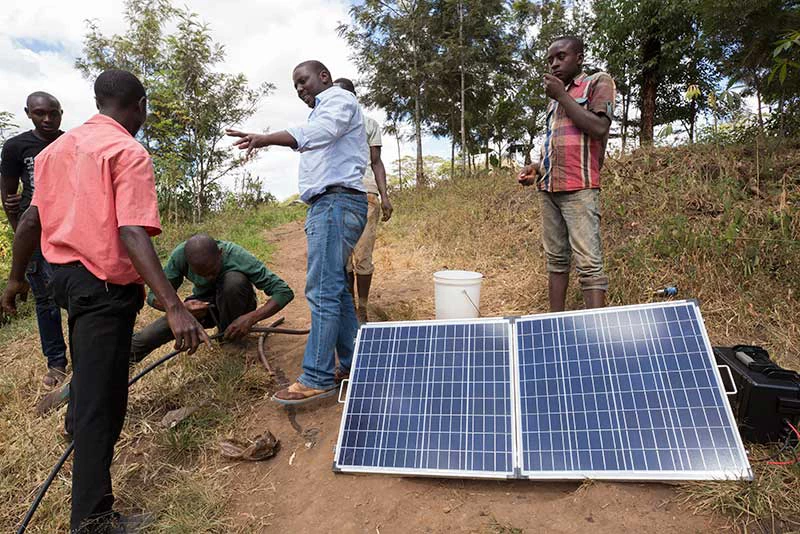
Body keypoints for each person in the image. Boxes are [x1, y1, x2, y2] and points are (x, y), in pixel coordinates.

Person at [1, 69, 209, 533]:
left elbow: (32, 221)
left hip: (66, 284)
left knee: (90, 379)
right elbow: (131, 231)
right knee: (105, 404)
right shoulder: (127, 151)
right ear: (139, 104)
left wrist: (16, 279)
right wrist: (174, 306)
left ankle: (77, 422)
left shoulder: (56, 150)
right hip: (104, 290)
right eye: (144, 110)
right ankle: (92, 520)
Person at [227, 60, 368, 405]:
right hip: (331, 205)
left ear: (324, 77)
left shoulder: (337, 100)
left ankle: (317, 377)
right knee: (334, 290)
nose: (300, 88)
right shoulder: (321, 111)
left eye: (303, 81)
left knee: (322, 291)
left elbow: (320, 133)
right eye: (295, 86)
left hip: (336, 204)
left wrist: (266, 139)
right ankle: (355, 364)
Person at [517, 36, 616, 312]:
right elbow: (557, 147)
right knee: (556, 261)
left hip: (580, 188)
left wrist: (562, 95)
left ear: (579, 57)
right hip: (549, 189)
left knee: (589, 263)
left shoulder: (597, 82)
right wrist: (535, 169)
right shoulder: (554, 101)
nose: (555, 63)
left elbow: (598, 128)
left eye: (561, 57)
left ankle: (595, 332)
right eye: (550, 59)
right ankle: (555, 327)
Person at [130, 233, 294, 361]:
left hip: (236, 306)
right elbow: (153, 296)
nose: (209, 278)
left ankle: (230, 341)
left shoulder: (236, 255)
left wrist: (251, 318)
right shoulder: (180, 256)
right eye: (202, 274)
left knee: (234, 281)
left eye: (213, 271)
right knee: (145, 338)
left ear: (220, 254)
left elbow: (283, 291)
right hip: (203, 307)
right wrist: (181, 309)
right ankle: (122, 359)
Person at [0, 92, 68, 387]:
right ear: (28, 113)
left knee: (78, 292)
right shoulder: (15, 147)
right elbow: (8, 198)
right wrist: (21, 240)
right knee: (45, 299)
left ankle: (89, 353)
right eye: (40, 113)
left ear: (61, 112)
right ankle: (56, 363)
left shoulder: (70, 141)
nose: (48, 119)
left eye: (53, 113)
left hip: (69, 227)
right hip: (34, 232)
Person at [332, 77, 393, 324]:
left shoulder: (369, 124)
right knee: (342, 258)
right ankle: (348, 306)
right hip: (337, 194)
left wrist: (385, 195)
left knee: (363, 255)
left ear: (353, 98)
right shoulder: (329, 125)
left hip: (365, 194)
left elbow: (376, 162)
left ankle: (362, 307)